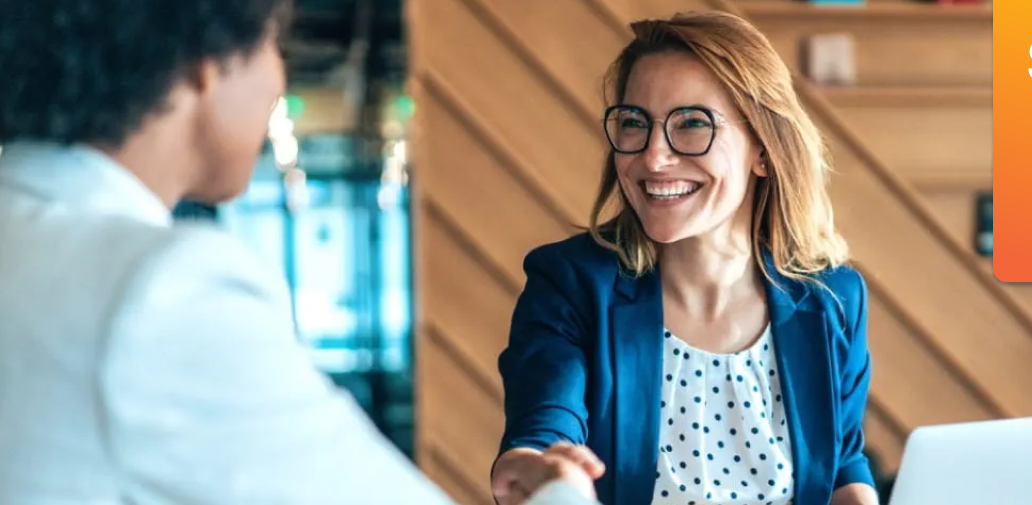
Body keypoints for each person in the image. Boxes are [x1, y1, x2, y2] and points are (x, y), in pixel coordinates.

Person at [0, 1, 597, 504]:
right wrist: (564, 488)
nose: (279, 79)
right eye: (272, 44)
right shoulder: (158, 294)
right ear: (201, 67)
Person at [491, 10, 880, 505]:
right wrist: (538, 469)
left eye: (692, 124)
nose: (653, 157)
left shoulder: (834, 298)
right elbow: (543, 430)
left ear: (764, 149)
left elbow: (844, 462)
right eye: (635, 124)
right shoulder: (570, 283)